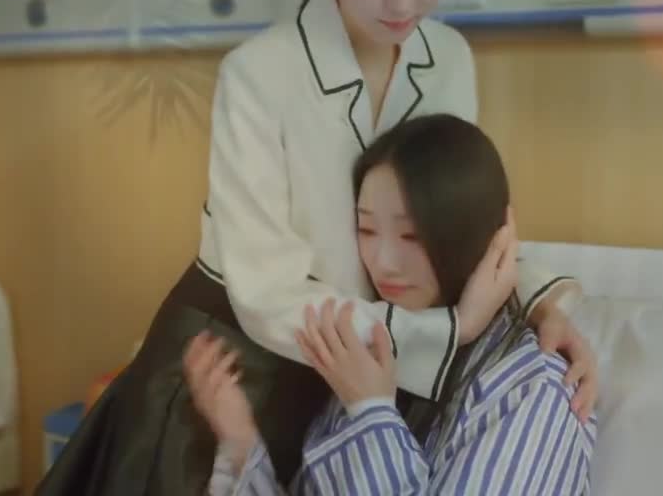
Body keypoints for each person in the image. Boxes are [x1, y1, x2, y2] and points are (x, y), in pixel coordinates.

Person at [35, 0, 597, 496]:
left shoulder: (448, 58)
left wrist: (536, 306)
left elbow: (457, 212)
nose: (405, 1)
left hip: (360, 371)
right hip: (239, 359)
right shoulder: (259, 74)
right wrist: (450, 331)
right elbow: (267, 292)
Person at [185, 113, 599, 494]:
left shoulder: (533, 388)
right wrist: (241, 447)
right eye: (366, 229)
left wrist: (371, 414)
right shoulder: (374, 347)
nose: (383, 262)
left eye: (411, 236)